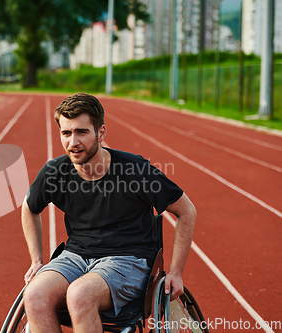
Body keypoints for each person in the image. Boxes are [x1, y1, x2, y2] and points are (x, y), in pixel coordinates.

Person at [21, 93, 197, 333]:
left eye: (82, 132)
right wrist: (36, 260)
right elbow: (29, 208)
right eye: (66, 133)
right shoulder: (55, 172)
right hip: (75, 257)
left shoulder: (136, 170)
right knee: (33, 295)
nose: (73, 142)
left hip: (128, 259)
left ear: (100, 133)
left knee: (80, 294)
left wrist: (176, 272)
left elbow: (186, 211)